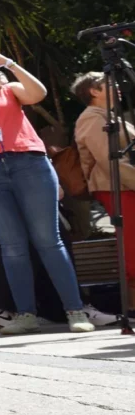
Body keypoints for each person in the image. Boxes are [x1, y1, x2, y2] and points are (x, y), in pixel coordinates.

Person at [0, 52, 94, 335]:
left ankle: (75, 310)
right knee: (12, 245)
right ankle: (26, 314)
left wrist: (8, 63)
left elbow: (38, 93)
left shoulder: (8, 90)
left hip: (29, 163)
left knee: (48, 240)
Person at [72, 71, 135, 307]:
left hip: (124, 185)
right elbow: (108, 159)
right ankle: (131, 307)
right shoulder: (91, 118)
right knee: (131, 246)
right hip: (116, 187)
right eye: (108, 83)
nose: (116, 85)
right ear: (94, 91)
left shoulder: (107, 115)